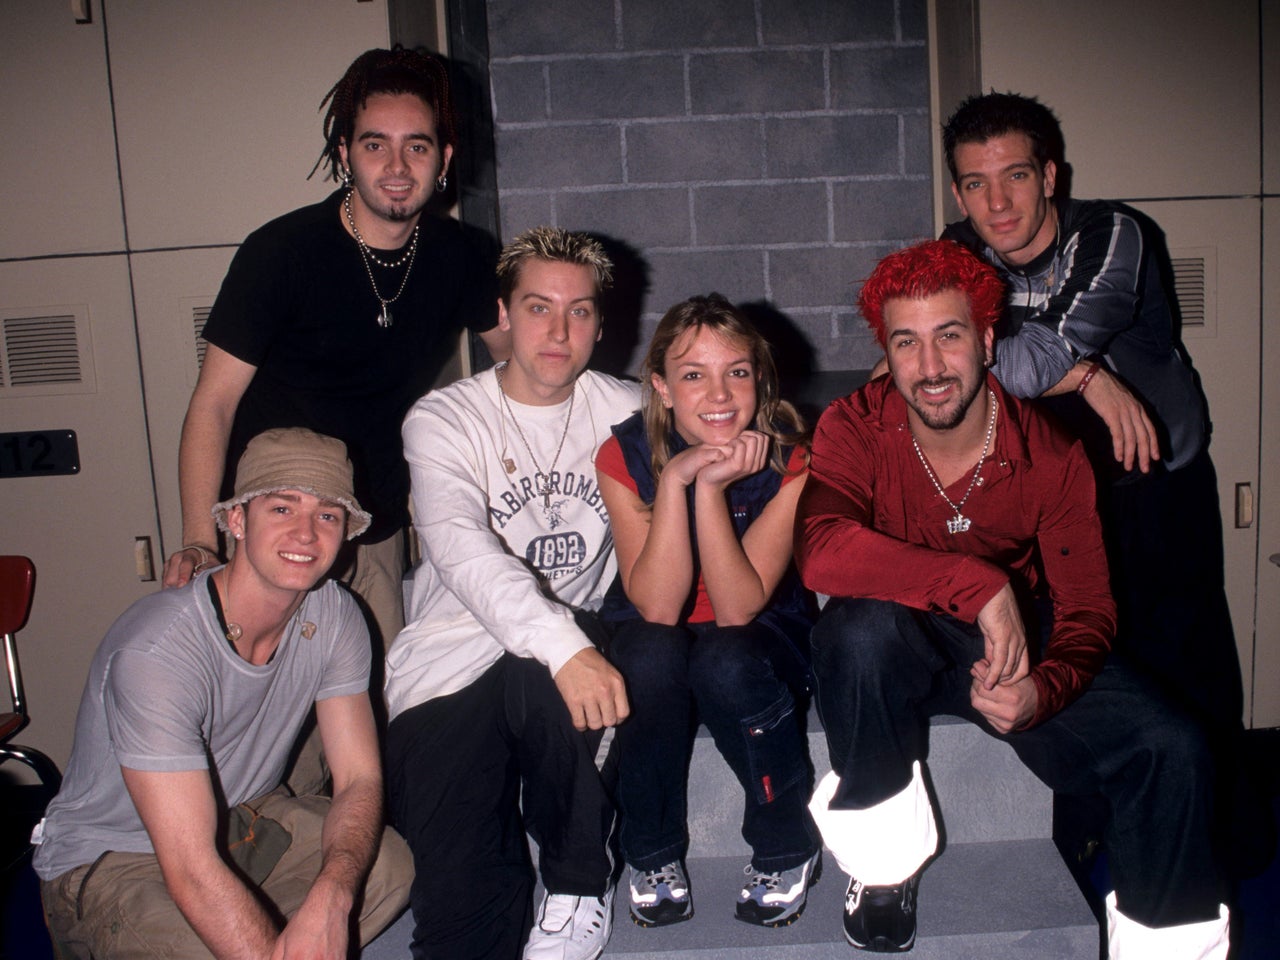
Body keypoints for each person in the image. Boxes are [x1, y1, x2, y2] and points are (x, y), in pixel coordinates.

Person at [796, 241, 1228, 956]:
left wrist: (1046, 690)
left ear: (987, 340)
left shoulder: (1051, 454)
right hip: (895, 644)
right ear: (887, 352)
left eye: (950, 336)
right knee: (858, 629)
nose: (930, 368)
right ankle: (882, 869)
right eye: (907, 343)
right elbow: (821, 548)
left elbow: (1089, 611)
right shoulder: (853, 425)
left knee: (1172, 747)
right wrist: (979, 582)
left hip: (1011, 645)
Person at [162, 46, 507, 653]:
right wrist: (200, 538)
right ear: (345, 153)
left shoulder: (462, 256)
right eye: (376, 144)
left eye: (417, 146)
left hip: (370, 522)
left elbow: (523, 365)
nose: (397, 165)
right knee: (263, 715)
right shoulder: (281, 254)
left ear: (444, 159)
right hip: (272, 522)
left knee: (372, 710)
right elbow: (212, 404)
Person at [32, 427, 413, 960]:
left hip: (244, 819)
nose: (306, 534)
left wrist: (332, 896)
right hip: (118, 855)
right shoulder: (157, 652)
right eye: (282, 508)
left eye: (327, 515)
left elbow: (358, 778)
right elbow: (189, 866)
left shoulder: (336, 615)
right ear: (236, 520)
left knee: (387, 864)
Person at [938, 91, 1241, 740]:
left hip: (1157, 489)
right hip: (1058, 497)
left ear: (1049, 177)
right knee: (1089, 677)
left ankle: (1223, 836)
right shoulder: (958, 253)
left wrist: (1064, 365)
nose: (998, 204)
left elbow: (1036, 353)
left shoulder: (1111, 232)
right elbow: (937, 369)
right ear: (959, 196)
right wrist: (1090, 378)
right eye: (976, 184)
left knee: (1191, 679)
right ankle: (1092, 839)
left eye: (1016, 176)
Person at [383, 227, 640, 960]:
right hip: (448, 665)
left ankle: (578, 884)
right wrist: (564, 648)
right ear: (503, 313)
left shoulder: (626, 409)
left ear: (599, 322)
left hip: (563, 662)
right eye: (538, 307)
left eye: (580, 311)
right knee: (461, 914)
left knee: (558, 676)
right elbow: (460, 548)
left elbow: (729, 405)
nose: (559, 331)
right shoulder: (444, 419)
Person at [595, 294, 821, 929]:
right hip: (656, 626)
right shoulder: (624, 456)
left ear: (760, 379)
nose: (719, 393)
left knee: (724, 660)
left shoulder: (792, 458)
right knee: (644, 652)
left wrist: (713, 488)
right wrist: (675, 481)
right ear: (663, 387)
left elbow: (739, 607)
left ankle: (785, 842)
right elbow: (660, 606)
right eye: (693, 374)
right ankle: (652, 850)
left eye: (738, 371)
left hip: (757, 631)